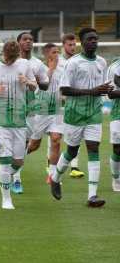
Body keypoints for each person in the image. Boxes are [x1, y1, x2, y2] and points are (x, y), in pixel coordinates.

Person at [50, 28, 111, 207]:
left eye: (96, 39)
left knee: (93, 148)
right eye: (90, 39)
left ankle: (92, 195)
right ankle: (55, 177)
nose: (94, 42)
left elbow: (103, 86)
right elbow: (64, 89)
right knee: (72, 151)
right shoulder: (73, 63)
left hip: (94, 113)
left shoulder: (101, 62)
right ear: (82, 43)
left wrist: (106, 90)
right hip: (74, 114)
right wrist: (92, 91)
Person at [0, 41, 36, 209]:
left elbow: (35, 86)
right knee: (4, 161)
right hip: (0, 121)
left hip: (19, 121)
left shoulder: (24, 64)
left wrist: (28, 82)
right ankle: (6, 199)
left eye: (14, 59)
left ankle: (4, 179)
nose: (11, 62)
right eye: (9, 58)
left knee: (18, 163)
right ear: (3, 53)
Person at [11, 32, 49, 194]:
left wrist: (40, 81)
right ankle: (16, 179)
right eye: (25, 39)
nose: (28, 42)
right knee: (18, 143)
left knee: (28, 144)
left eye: (31, 40)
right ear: (18, 42)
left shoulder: (38, 64)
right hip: (13, 108)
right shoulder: (11, 62)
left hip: (32, 108)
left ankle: (11, 168)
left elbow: (45, 84)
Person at [27, 43, 64, 183]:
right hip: (40, 112)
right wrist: (52, 69)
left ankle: (53, 176)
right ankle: (16, 161)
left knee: (56, 140)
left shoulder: (62, 70)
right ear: (47, 55)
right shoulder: (38, 69)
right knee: (34, 145)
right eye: (54, 52)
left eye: (58, 52)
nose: (57, 55)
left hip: (57, 111)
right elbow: (42, 85)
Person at [57, 34, 85, 178]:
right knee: (55, 136)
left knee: (76, 136)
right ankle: (51, 162)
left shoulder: (79, 61)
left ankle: (74, 167)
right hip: (58, 105)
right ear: (63, 45)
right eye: (70, 45)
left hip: (74, 104)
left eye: (74, 45)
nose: (73, 47)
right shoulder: (57, 61)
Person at [106, 57, 120, 191]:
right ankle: (116, 179)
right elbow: (110, 94)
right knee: (117, 149)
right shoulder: (114, 67)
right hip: (118, 113)